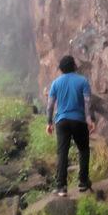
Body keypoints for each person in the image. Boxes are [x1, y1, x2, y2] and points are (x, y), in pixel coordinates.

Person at [46, 55, 96, 196]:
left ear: (61, 69)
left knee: (62, 153)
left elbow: (50, 105)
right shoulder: (83, 81)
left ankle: (61, 187)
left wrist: (49, 122)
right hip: (78, 120)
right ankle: (83, 182)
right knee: (83, 150)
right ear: (74, 65)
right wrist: (91, 120)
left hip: (61, 121)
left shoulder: (56, 83)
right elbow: (88, 103)